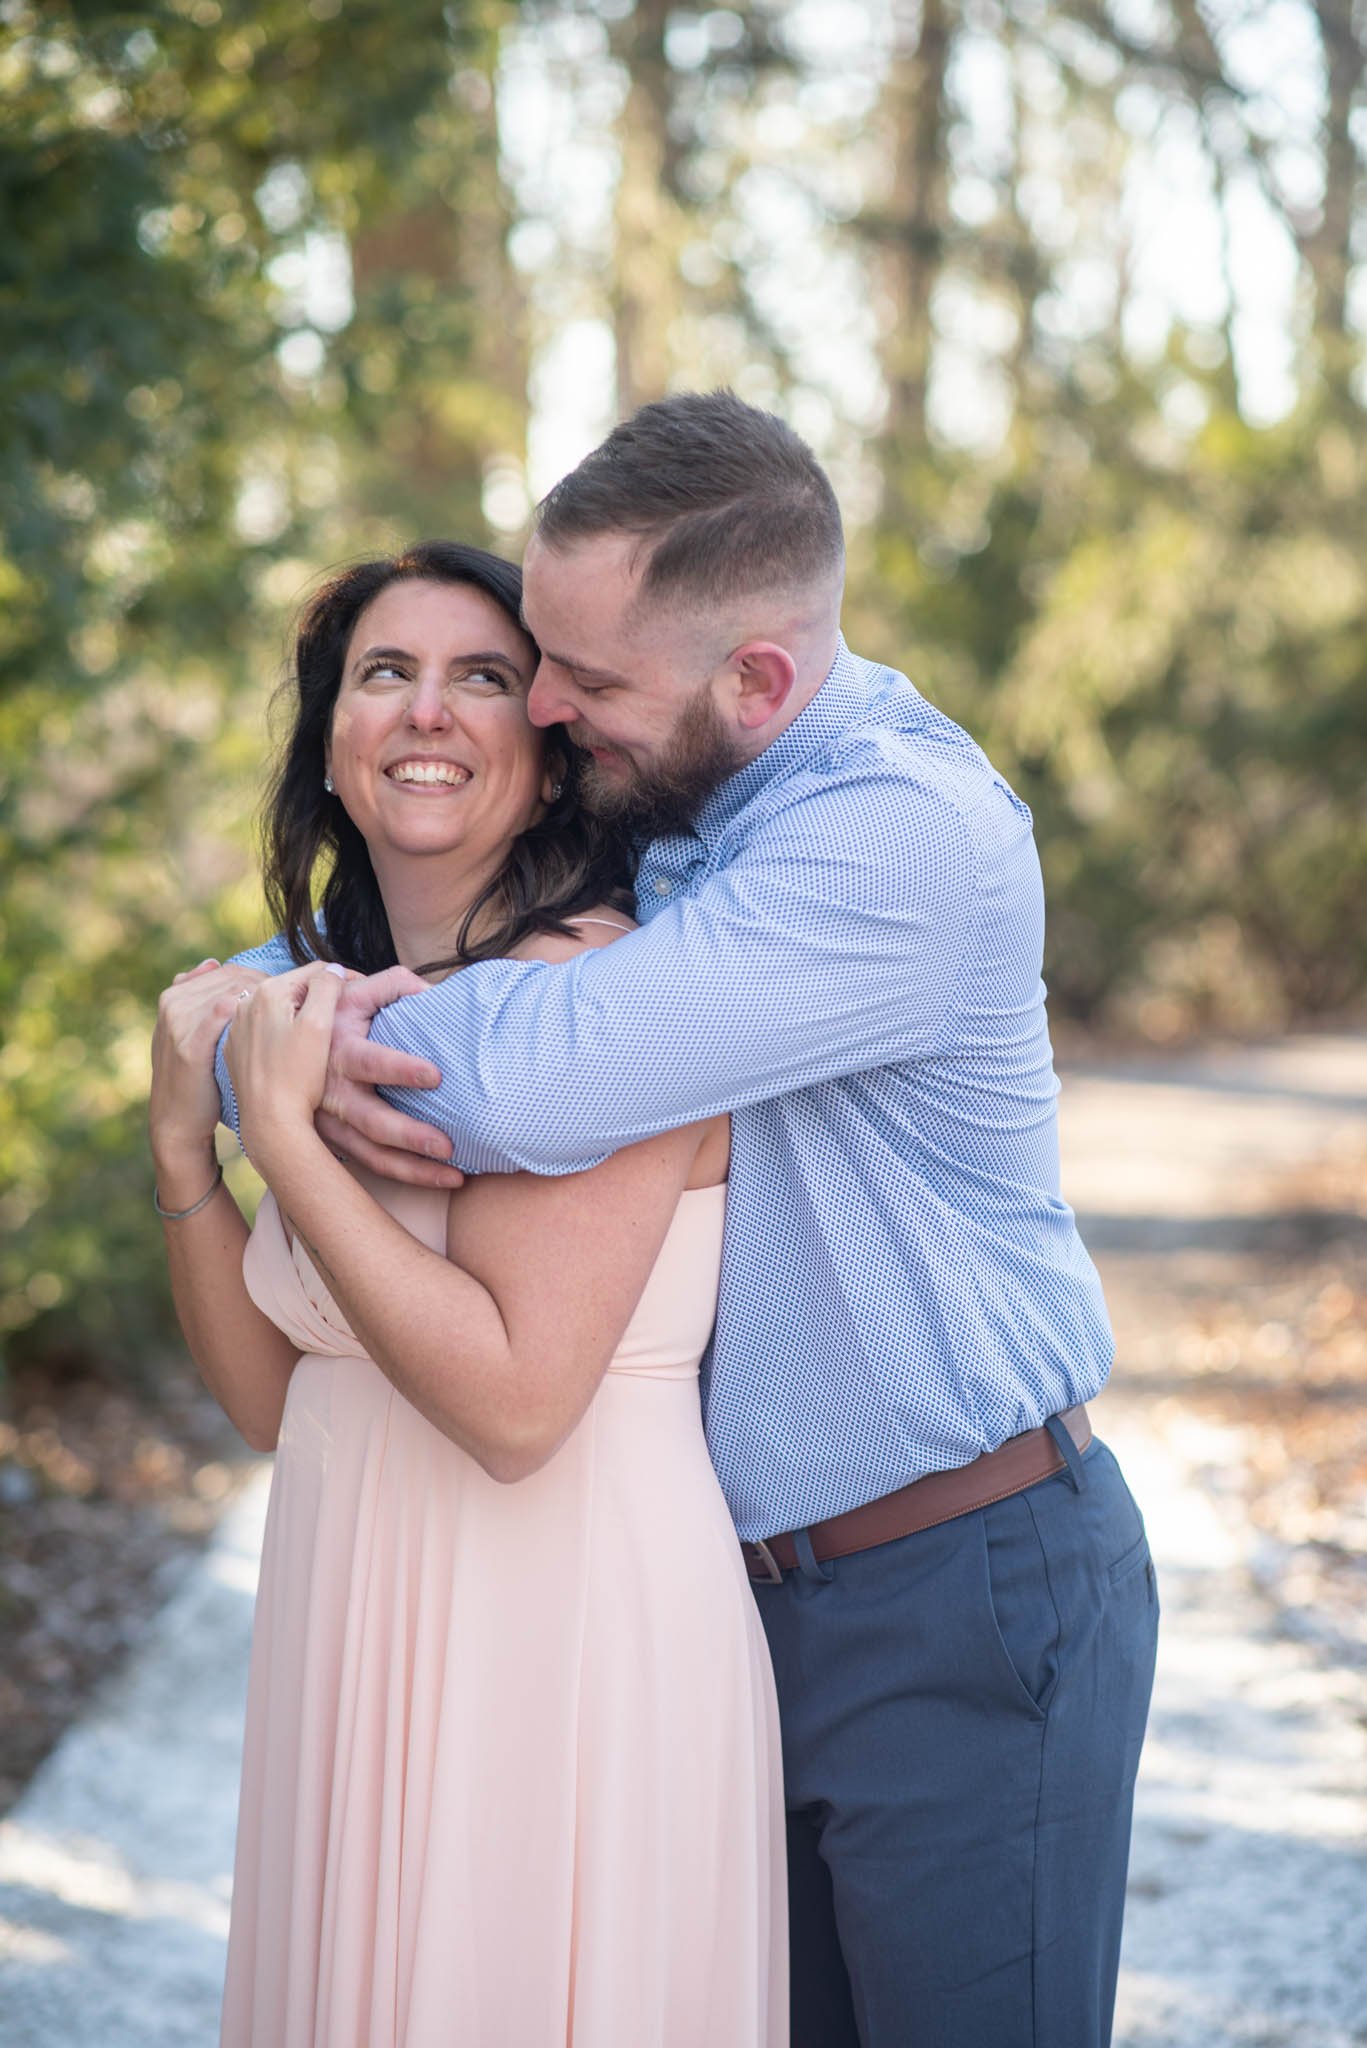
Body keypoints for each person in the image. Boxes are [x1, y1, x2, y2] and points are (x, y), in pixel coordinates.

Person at [219, 394, 1161, 2048]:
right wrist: (248, 1002)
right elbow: (467, 977)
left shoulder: (890, 846)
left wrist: (246, 1046)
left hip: (958, 1586)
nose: (554, 708)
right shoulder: (689, 815)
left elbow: (535, 1079)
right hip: (755, 1593)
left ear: (760, 683)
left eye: (583, 679)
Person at [150, 540, 787, 2048]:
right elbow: (266, 1399)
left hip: (558, 1635)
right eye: (387, 674)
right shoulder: (323, 1003)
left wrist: (281, 1132)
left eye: (482, 679)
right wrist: (186, 1137)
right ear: (331, 738)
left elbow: (514, 1406)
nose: (428, 712)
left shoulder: (606, 997)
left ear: (551, 752)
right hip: (349, 1618)